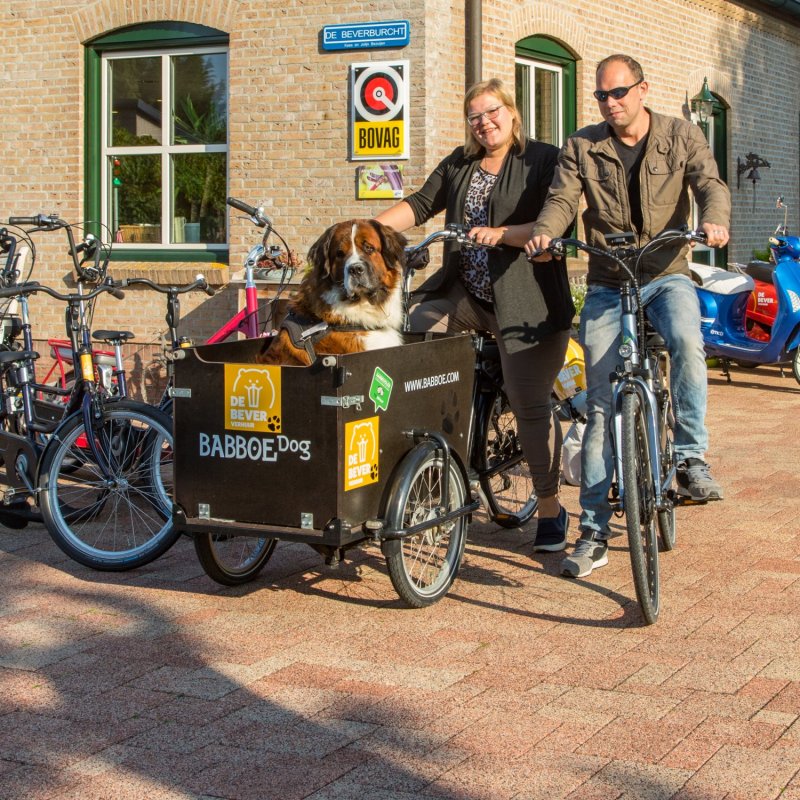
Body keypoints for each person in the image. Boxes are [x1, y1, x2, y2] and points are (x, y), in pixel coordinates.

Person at [526, 54, 730, 578]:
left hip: (667, 273)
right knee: (598, 407)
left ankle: (689, 458)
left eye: (619, 93)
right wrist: (546, 232)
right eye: (601, 95)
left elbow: (710, 184)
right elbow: (561, 199)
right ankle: (593, 531)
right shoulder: (581, 146)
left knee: (686, 339)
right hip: (608, 281)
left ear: (643, 89)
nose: (610, 103)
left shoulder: (681, 135)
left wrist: (713, 220)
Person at [375, 78, 575, 552]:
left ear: (511, 112)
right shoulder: (461, 163)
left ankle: (550, 508)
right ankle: (434, 471)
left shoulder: (543, 159)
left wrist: (502, 233)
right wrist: (365, 229)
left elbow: (558, 215)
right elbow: (421, 204)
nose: (484, 123)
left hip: (529, 303)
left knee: (530, 406)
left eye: (492, 113)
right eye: (475, 117)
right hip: (465, 295)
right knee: (412, 335)